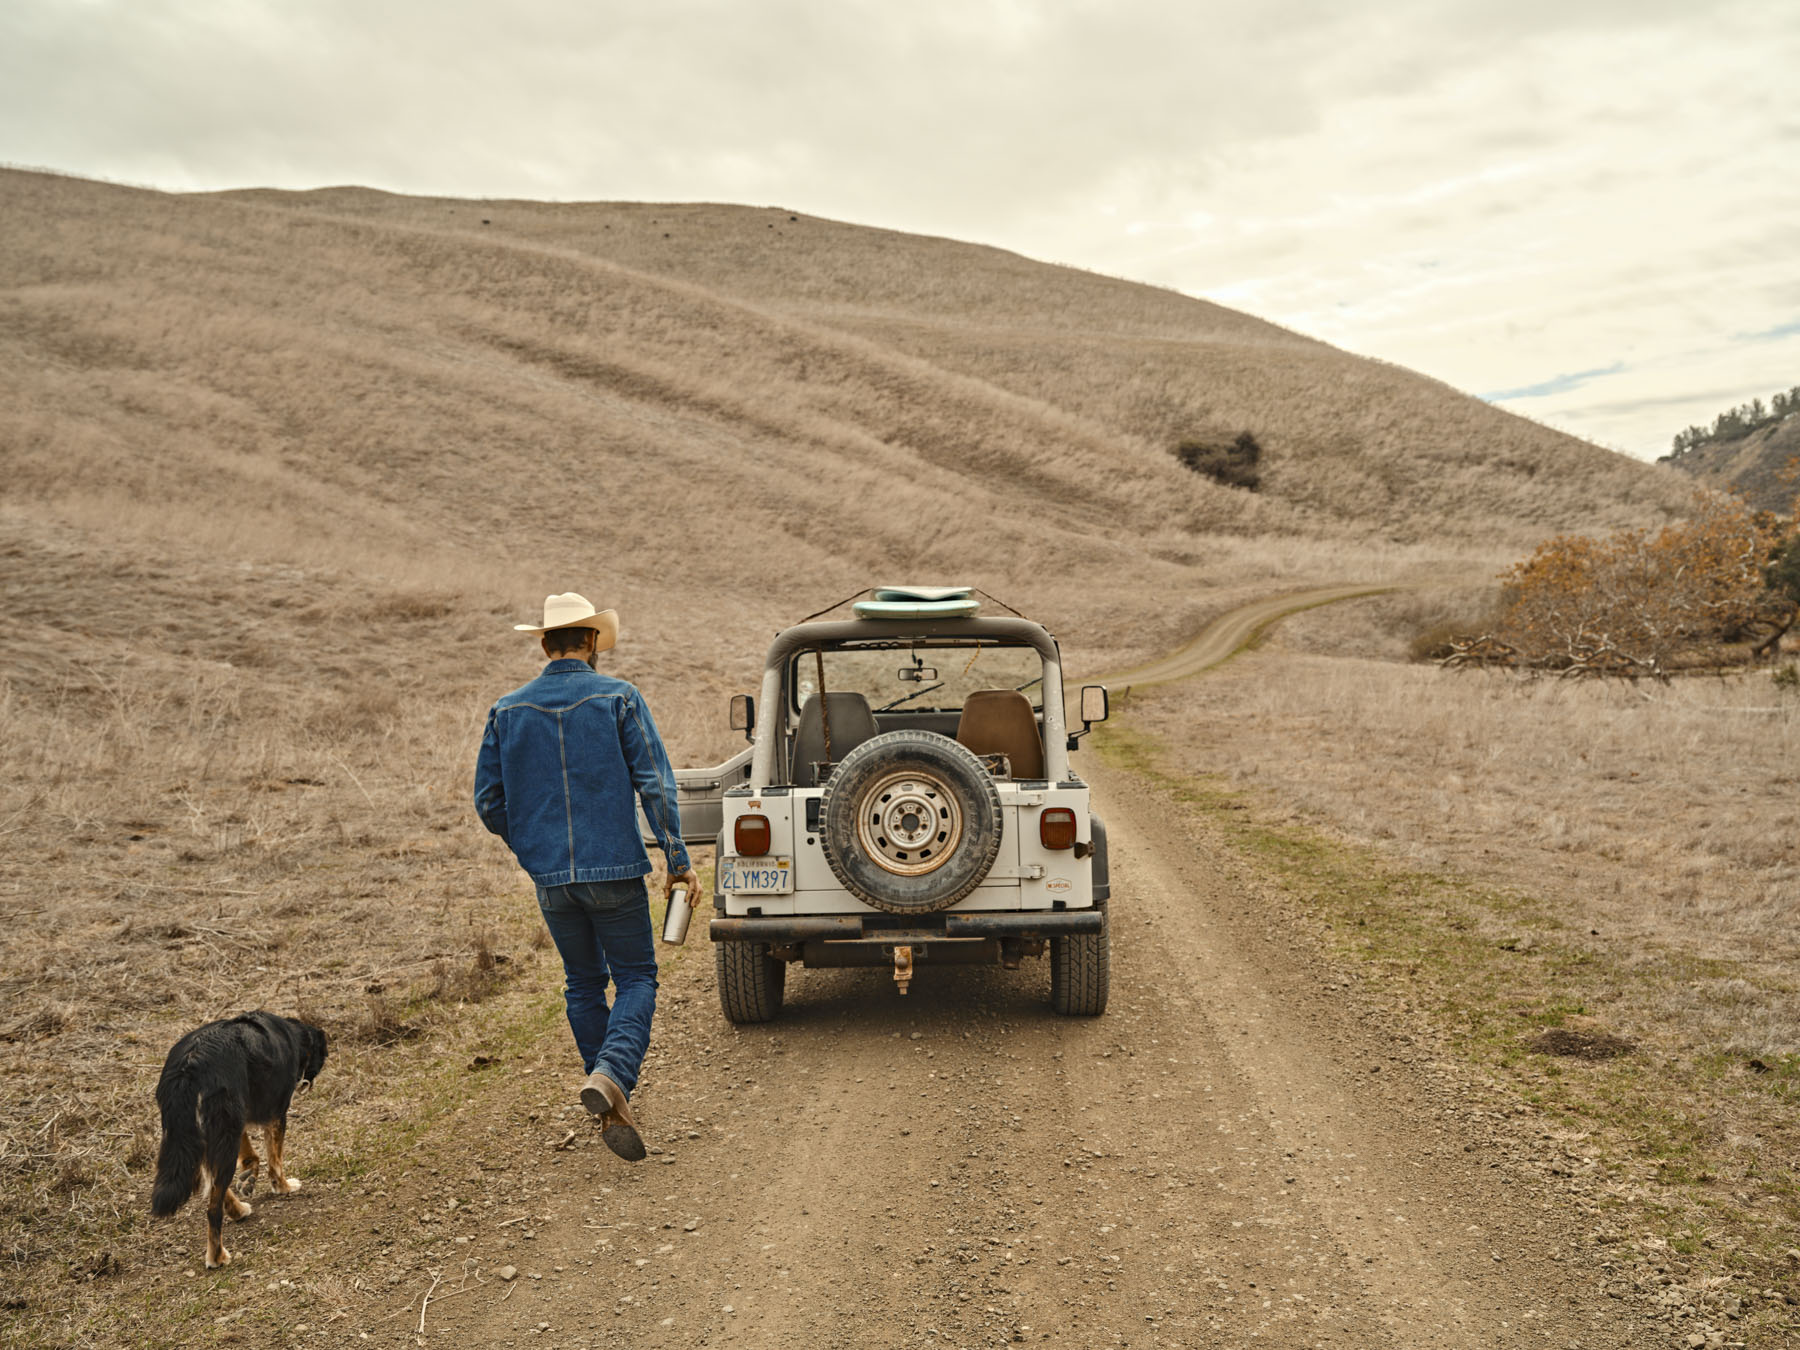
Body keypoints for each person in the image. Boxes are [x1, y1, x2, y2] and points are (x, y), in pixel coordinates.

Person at [473, 592, 698, 1162]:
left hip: (551, 878)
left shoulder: (507, 710)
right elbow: (656, 786)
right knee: (637, 977)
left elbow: (488, 802)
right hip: (616, 868)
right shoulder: (619, 697)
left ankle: (609, 1093)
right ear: (592, 641)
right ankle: (613, 1074)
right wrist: (678, 861)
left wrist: (532, 850)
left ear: (546, 644)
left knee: (582, 984)